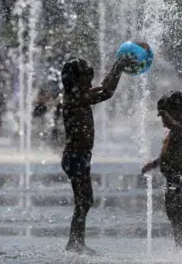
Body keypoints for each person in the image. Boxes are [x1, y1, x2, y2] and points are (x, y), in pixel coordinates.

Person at [60, 55, 133, 254]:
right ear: (76, 79)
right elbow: (107, 92)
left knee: (85, 200)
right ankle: (75, 243)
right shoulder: (75, 98)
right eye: (86, 75)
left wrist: (115, 70)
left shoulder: (78, 94)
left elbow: (104, 86)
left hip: (80, 156)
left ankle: (76, 241)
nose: (91, 79)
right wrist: (118, 67)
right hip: (75, 157)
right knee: (84, 200)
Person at [141, 91, 182, 249]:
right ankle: (178, 242)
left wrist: (169, 119)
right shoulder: (172, 132)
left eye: (165, 116)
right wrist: (153, 164)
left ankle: (181, 247)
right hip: (172, 179)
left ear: (178, 112)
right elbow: (166, 155)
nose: (163, 120)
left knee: (180, 214)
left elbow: (178, 128)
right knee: (172, 213)